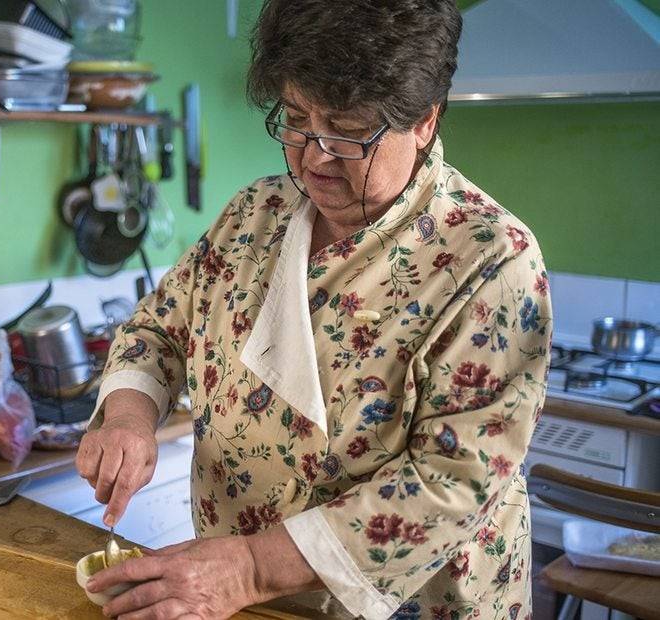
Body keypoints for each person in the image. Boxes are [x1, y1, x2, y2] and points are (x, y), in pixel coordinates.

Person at [76, 1, 552, 618]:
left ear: (425, 121)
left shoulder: (490, 260)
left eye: (349, 130)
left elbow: (454, 478)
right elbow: (160, 330)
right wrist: (128, 417)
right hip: (236, 593)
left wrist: (251, 567)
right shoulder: (256, 214)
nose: (315, 157)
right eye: (297, 119)